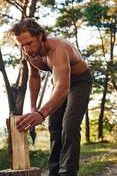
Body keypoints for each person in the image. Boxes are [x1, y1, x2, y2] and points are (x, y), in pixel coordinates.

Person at [9, 18, 93, 176]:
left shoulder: (58, 49)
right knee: (54, 127)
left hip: (79, 81)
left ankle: (68, 173)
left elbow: (63, 87)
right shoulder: (28, 53)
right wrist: (33, 107)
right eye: (21, 45)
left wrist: (41, 113)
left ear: (40, 35)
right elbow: (34, 77)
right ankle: (54, 173)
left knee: (69, 125)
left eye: (29, 43)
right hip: (60, 83)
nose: (26, 49)